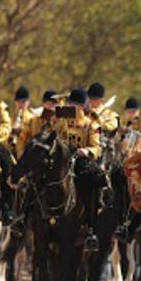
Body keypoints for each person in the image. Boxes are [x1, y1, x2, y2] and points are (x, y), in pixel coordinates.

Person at [53, 88, 103, 251]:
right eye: (70, 103)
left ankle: (91, 229)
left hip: (80, 161)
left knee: (93, 180)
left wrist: (86, 151)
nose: (71, 107)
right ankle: (23, 217)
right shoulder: (61, 121)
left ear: (82, 107)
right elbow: (51, 136)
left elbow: (97, 148)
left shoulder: (91, 125)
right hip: (61, 160)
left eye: (75, 104)